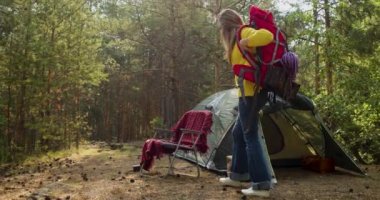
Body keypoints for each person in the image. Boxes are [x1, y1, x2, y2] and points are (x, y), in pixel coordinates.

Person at [216, 8, 274, 197]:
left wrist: (246, 41)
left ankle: (262, 184)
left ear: (226, 25)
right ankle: (238, 175)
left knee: (250, 136)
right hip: (246, 94)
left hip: (252, 94)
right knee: (238, 133)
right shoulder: (234, 41)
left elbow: (267, 36)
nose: (221, 32)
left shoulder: (243, 31)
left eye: (221, 28)